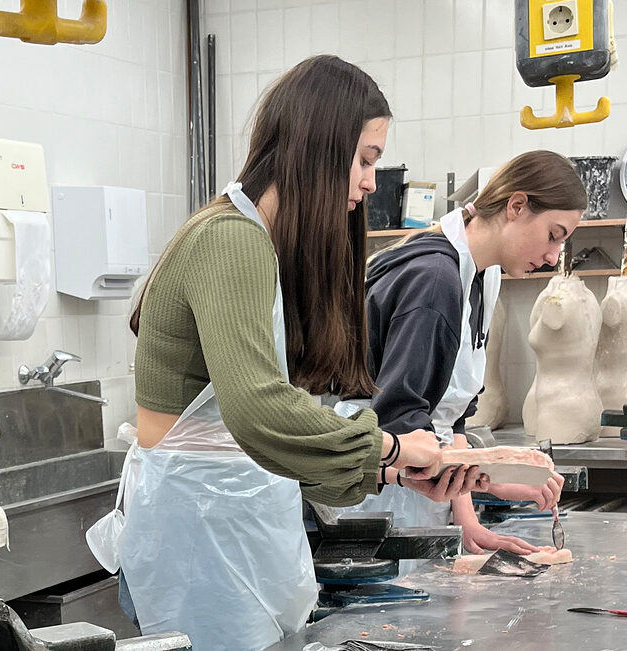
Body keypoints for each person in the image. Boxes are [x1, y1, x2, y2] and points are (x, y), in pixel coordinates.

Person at [103, 55, 477, 651]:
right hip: (202, 541)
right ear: (316, 148)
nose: (370, 183)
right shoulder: (228, 241)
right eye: (364, 160)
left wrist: (391, 471)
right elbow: (260, 410)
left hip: (242, 527)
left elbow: (271, 431)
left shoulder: (262, 248)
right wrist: (392, 445)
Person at [346, 150, 580, 557]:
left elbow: (449, 419)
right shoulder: (433, 279)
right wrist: (500, 476)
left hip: (416, 496)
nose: (552, 257)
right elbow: (401, 426)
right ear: (517, 206)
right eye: (553, 235)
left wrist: (468, 523)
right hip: (369, 497)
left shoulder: (483, 275)